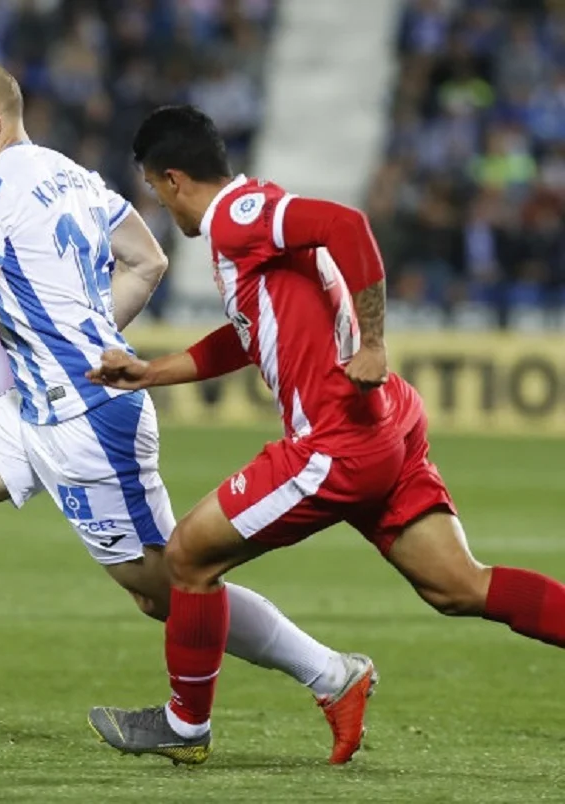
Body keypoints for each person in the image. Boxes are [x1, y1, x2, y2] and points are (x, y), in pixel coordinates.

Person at [0, 60, 375, 764]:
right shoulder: (73, 175)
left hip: (87, 421)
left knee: (170, 589)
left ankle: (332, 674)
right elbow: (147, 260)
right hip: (35, 405)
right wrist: (91, 337)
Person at [86, 104, 565, 765]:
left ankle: (185, 725)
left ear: (172, 179)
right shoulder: (250, 221)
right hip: (386, 423)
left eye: (155, 189)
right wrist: (152, 371)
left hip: (338, 441)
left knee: (188, 557)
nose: (162, 205)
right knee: (457, 585)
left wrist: (374, 343)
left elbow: (348, 225)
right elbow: (248, 335)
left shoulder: (236, 217)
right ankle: (333, 685)